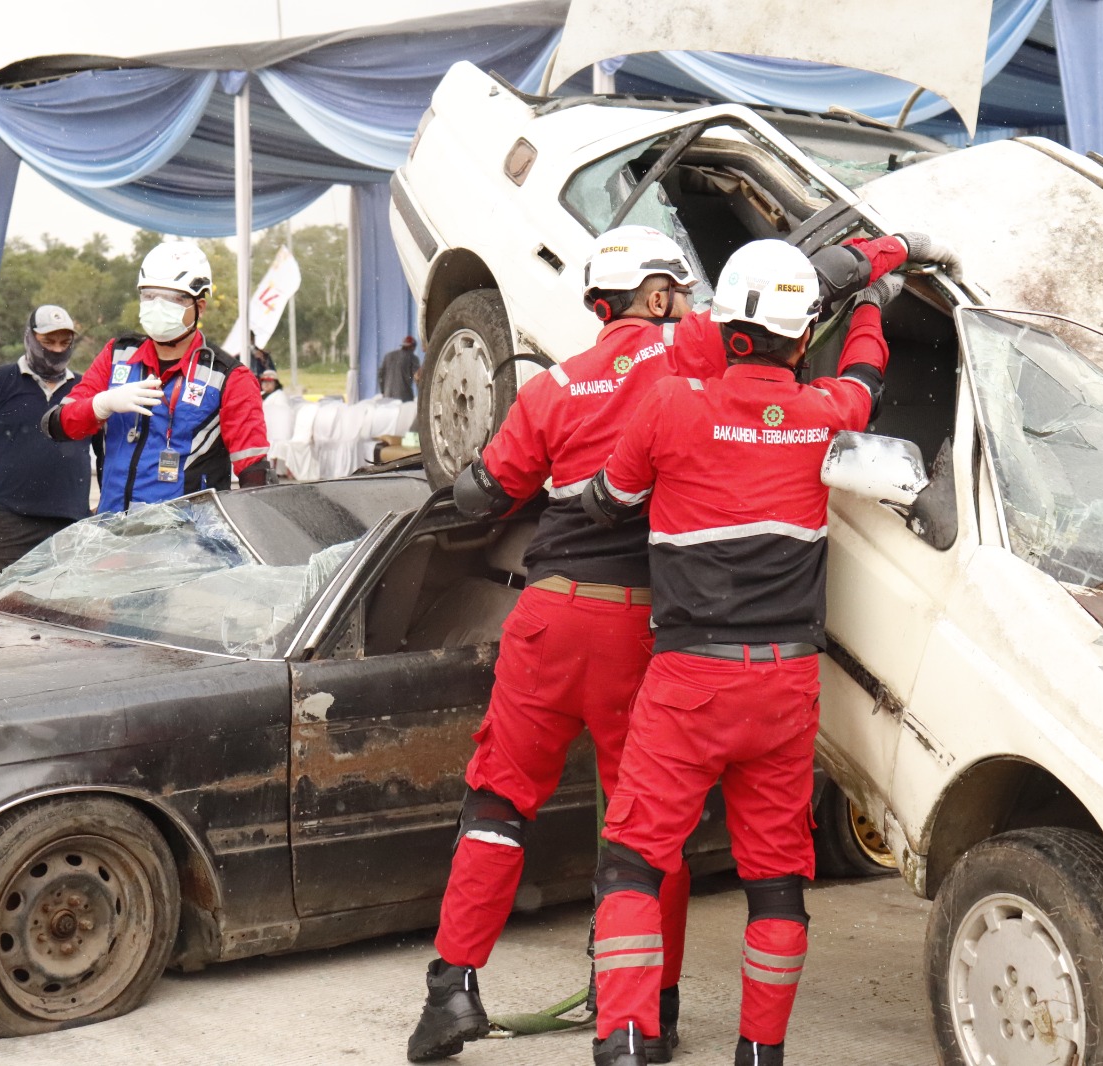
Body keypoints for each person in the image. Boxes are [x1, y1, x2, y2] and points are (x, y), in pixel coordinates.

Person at [580, 239, 929, 1066]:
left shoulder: (668, 405)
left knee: (634, 859)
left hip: (687, 681)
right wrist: (875, 294)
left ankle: (626, 1040)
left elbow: (607, 501)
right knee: (776, 878)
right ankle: (760, 1052)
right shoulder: (826, 414)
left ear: (726, 327)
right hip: (784, 685)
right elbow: (868, 377)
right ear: (802, 338)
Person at [406, 227, 706, 1065]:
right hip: (637, 626)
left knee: (498, 806)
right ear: (653, 297)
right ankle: (646, 1019)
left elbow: (486, 490)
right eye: (679, 292)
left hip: (544, 619)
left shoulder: (552, 387)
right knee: (648, 829)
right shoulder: (685, 360)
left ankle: (453, 992)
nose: (688, 306)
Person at [42, 241, 271, 511]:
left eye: (174, 298)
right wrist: (100, 405)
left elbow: (255, 476)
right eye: (149, 296)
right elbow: (57, 427)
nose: (158, 306)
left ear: (200, 306)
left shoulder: (229, 377)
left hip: (188, 541)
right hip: (115, 533)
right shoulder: (117, 355)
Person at [0, 304, 95, 597]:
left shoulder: (85, 390)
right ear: (30, 338)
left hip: (70, 525)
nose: (56, 349)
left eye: (63, 342)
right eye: (48, 341)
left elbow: (108, 450)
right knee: (1, 624)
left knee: (67, 625)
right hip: (8, 525)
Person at [379, 335, 420, 401]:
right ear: (412, 347)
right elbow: (418, 377)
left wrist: (383, 391)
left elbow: (381, 375)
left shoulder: (388, 356)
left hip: (387, 398)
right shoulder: (413, 358)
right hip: (404, 398)